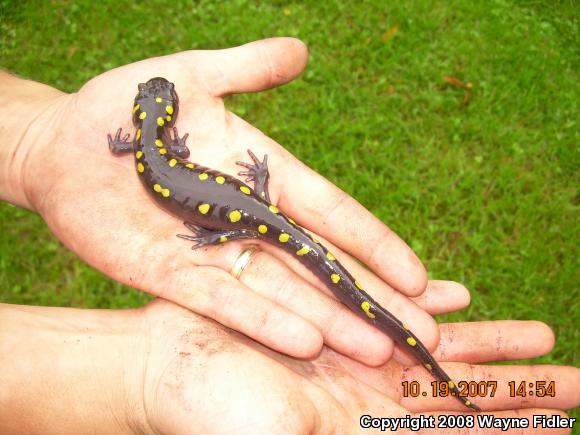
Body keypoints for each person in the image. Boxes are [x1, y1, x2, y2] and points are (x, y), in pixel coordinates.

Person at [0, 38, 578, 433]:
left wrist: (39, 136)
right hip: (245, 209)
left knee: (291, 248)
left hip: (241, 213)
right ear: (164, 116)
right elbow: (168, 155)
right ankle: (230, 224)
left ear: (149, 117)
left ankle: (426, 363)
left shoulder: (142, 144)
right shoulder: (158, 145)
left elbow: (135, 149)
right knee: (280, 240)